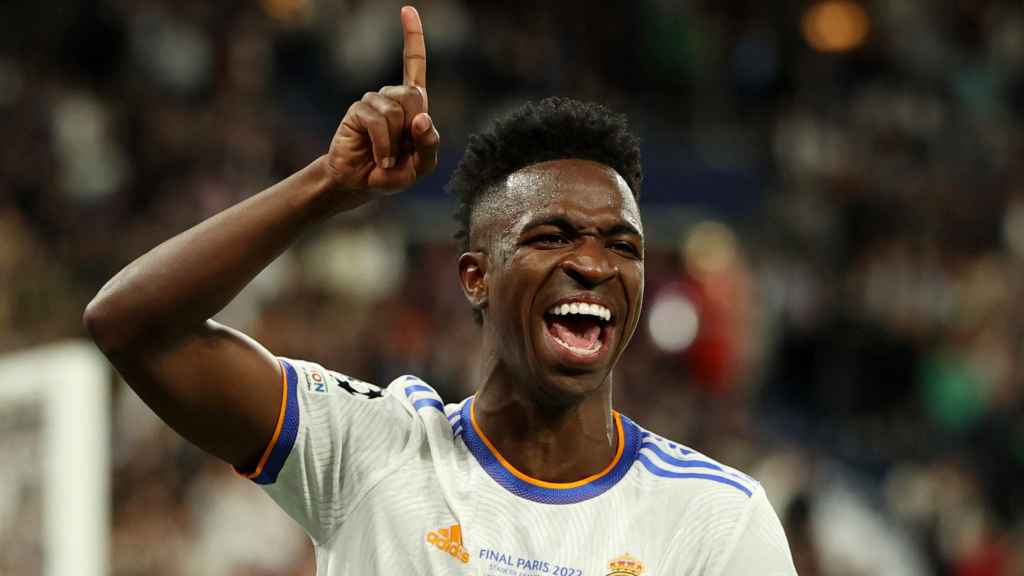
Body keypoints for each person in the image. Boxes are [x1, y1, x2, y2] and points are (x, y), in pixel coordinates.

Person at [85, 6, 796, 575]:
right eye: (551, 237)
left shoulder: (715, 517)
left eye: (623, 246)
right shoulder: (371, 450)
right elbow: (131, 325)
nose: (594, 265)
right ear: (475, 277)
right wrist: (325, 188)